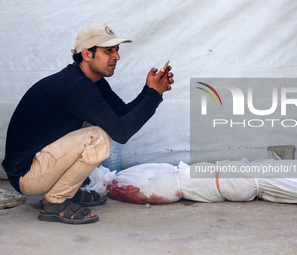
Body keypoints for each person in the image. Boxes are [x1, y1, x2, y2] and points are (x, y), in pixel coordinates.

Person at [1, 22, 174, 224]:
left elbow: (122, 114)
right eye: (108, 50)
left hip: (38, 165)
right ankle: (55, 201)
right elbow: (122, 132)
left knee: (101, 125)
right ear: (86, 54)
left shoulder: (91, 81)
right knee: (97, 137)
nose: (116, 56)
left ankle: (67, 191)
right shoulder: (76, 86)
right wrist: (153, 95)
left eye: (116, 50)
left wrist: (149, 90)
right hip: (27, 176)